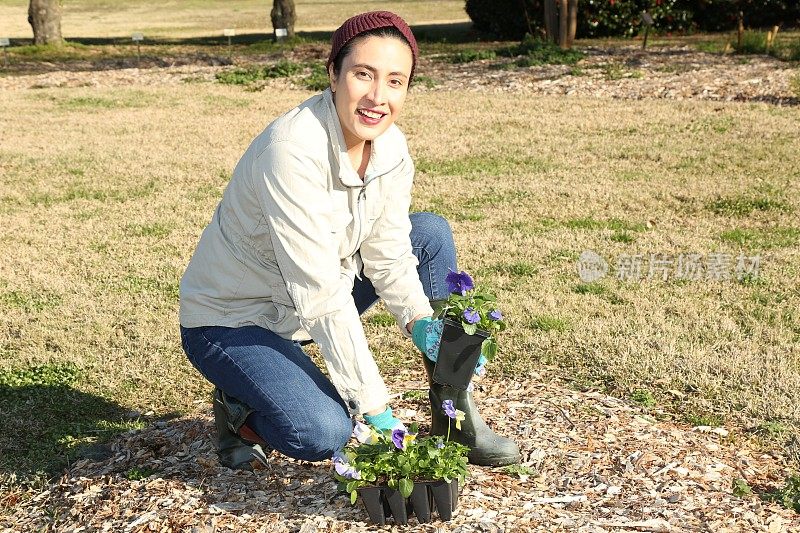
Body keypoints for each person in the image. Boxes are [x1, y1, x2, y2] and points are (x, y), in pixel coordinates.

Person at [179, 11, 520, 470]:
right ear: (333, 76)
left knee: (429, 235)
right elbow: (318, 291)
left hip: (313, 294)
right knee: (323, 430)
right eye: (364, 74)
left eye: (395, 81)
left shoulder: (391, 146)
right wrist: (376, 408)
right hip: (235, 320)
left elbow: (391, 254)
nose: (378, 97)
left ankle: (454, 417)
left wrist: (422, 322)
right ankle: (239, 408)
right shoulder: (291, 151)